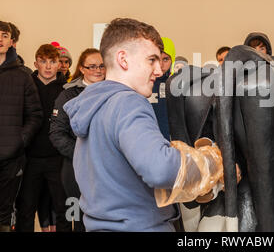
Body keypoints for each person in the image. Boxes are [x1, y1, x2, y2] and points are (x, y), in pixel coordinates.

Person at [63, 18, 223, 232]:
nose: (158, 70)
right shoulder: (128, 102)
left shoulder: (93, 104)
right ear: (123, 59)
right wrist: (216, 161)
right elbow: (160, 169)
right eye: (151, 60)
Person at [15, 44, 71, 232]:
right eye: (43, 62)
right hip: (30, 158)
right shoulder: (26, 87)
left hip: (58, 158)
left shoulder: (66, 90)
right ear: (35, 63)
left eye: (52, 62)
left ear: (59, 65)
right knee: (26, 209)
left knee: (63, 208)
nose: (48, 66)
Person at [49, 48, 106, 232]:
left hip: (107, 168)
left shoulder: (115, 91)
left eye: (101, 66)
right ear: (82, 68)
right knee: (79, 220)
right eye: (91, 66)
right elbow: (57, 133)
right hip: (76, 169)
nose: (97, 70)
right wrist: (83, 152)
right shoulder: (68, 94)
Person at [0, 21, 43, 232]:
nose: (0, 39)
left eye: (4, 35)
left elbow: (35, 114)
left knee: (4, 211)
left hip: (11, 156)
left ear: (11, 41)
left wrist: (19, 141)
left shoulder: (22, 75)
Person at [149, 37, 175, 141]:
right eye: (156, 59)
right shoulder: (142, 83)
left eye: (165, 59)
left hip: (171, 143)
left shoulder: (176, 85)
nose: (161, 64)